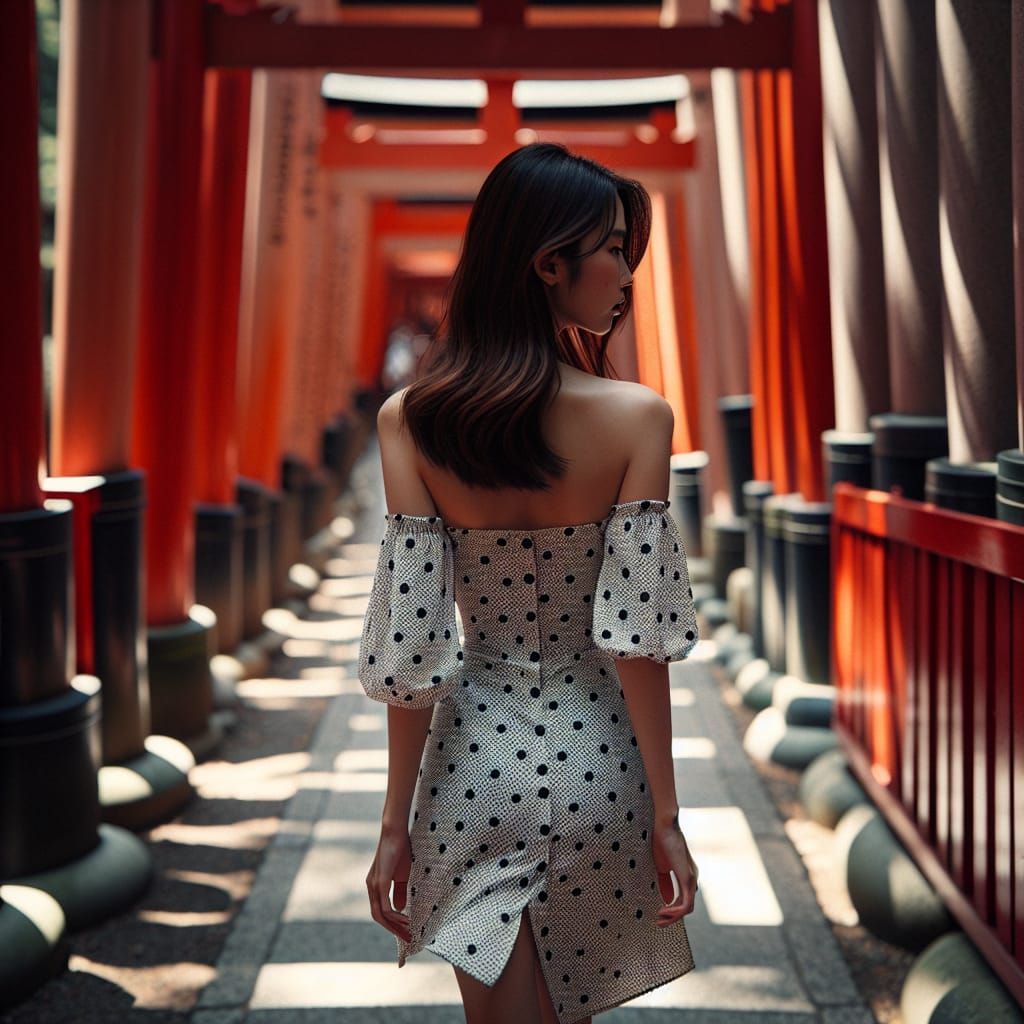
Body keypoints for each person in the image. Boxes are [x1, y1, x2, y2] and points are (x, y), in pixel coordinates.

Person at [359, 141, 701, 1024]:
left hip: (469, 761)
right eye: (615, 249)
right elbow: (635, 643)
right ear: (550, 263)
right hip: (600, 760)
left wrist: (394, 825)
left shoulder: (414, 421)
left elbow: (415, 649)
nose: (627, 273)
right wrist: (666, 814)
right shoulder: (637, 418)